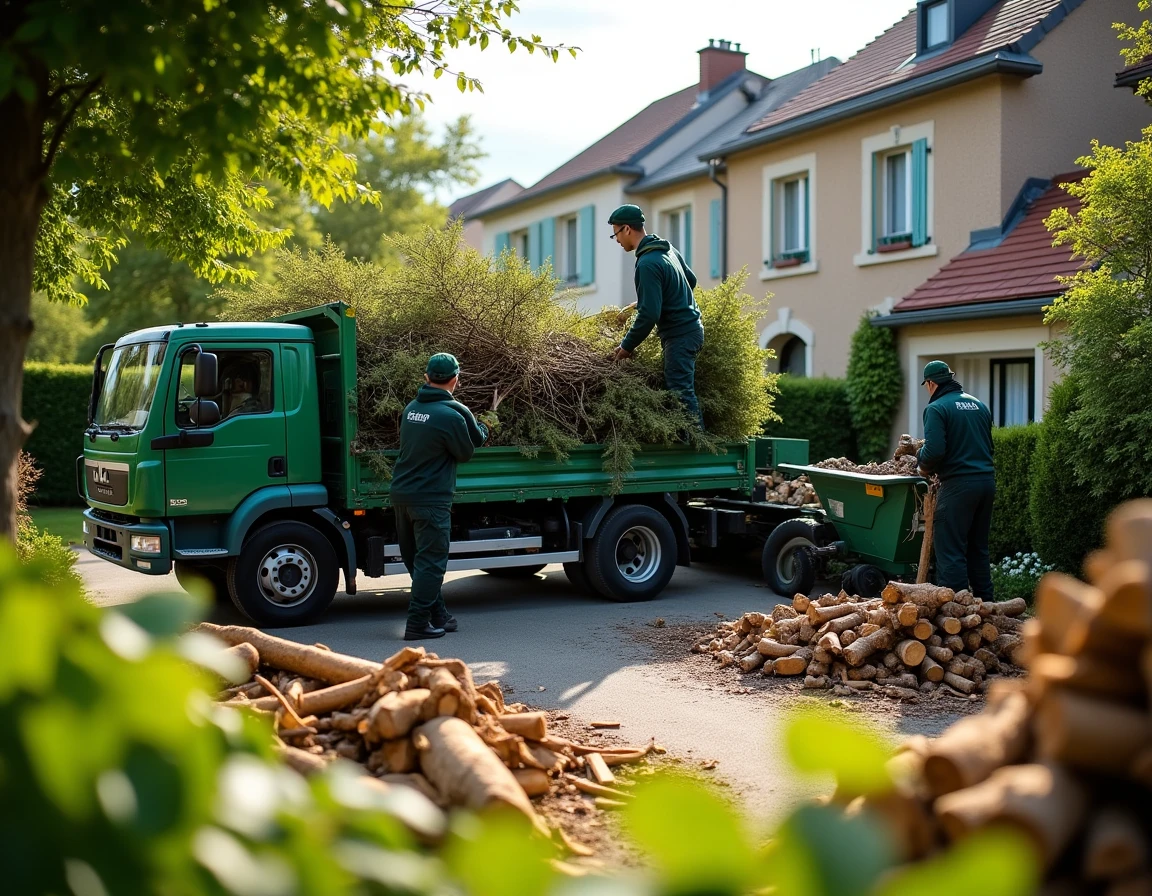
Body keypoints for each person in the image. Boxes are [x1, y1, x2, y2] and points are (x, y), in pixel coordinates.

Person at [390, 353, 492, 640]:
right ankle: (417, 624)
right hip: (430, 499)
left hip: (402, 494)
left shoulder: (411, 409)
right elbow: (466, 452)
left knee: (417, 562)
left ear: (426, 378)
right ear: (456, 379)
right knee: (432, 563)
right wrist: (485, 427)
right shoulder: (452, 413)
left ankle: (439, 615)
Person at [608, 204, 705, 428]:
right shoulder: (666, 249)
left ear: (627, 229)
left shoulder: (646, 264)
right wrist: (649, 299)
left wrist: (626, 347)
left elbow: (649, 316)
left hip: (680, 335)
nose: (616, 240)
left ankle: (699, 450)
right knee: (681, 389)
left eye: (615, 233)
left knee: (681, 393)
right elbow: (690, 281)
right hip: (692, 330)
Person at [915, 360, 995, 598]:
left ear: (930, 383)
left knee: (950, 549)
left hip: (958, 485)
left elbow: (935, 450)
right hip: (986, 482)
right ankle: (988, 606)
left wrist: (921, 464)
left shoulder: (936, 408)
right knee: (978, 548)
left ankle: (957, 611)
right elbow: (989, 446)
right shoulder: (979, 405)